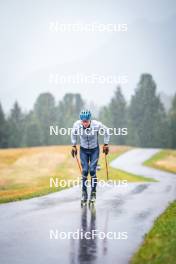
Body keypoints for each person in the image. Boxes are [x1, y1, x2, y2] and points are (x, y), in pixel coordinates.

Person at [71, 110, 110, 205]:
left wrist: (106, 144)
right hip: (83, 150)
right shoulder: (77, 125)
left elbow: (107, 131)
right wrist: (73, 145)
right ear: (81, 120)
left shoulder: (96, 125)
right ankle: (84, 193)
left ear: (90, 120)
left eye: (86, 121)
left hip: (94, 150)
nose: (84, 123)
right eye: (83, 121)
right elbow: (73, 133)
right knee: (84, 171)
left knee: (92, 170)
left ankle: (93, 192)